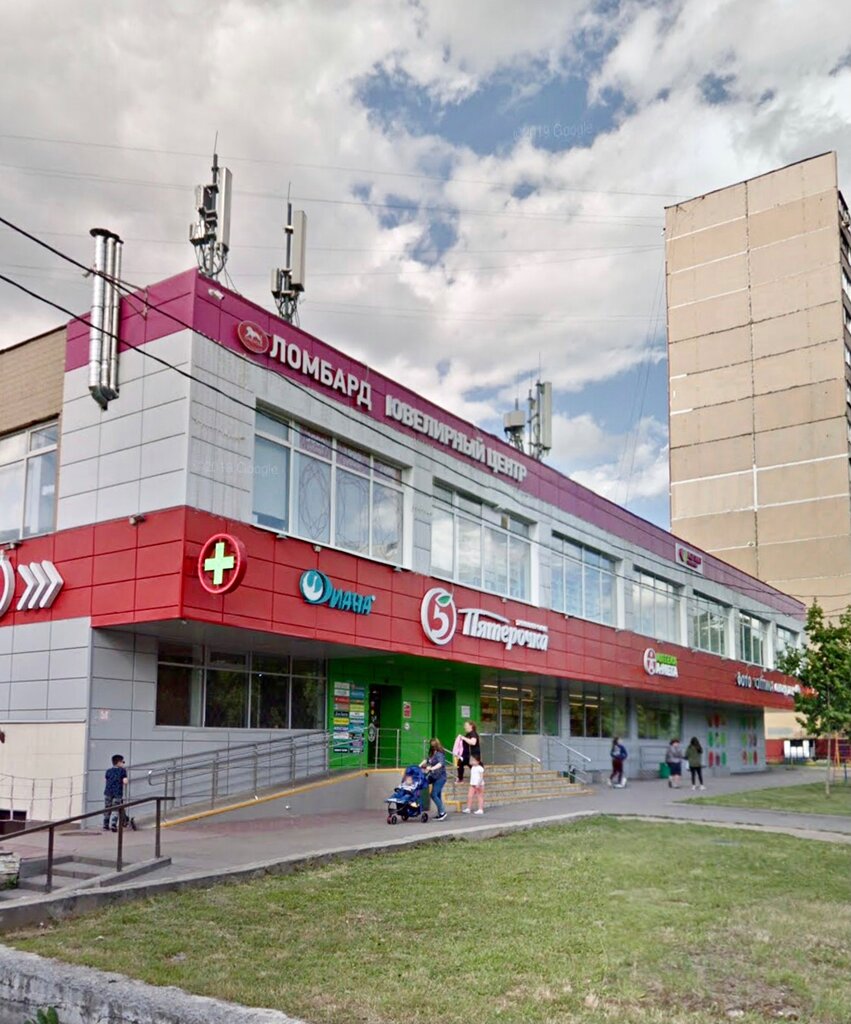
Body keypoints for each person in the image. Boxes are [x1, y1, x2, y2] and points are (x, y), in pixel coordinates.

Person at [421, 738, 448, 821]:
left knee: (433, 794)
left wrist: (432, 768)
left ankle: (443, 812)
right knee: (437, 795)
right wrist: (419, 765)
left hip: (440, 777)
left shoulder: (439, 753)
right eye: (431, 744)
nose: (432, 746)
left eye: (433, 744)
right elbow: (427, 760)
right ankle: (440, 814)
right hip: (434, 776)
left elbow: (440, 763)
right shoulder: (432, 753)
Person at [103, 753, 128, 831]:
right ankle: (113, 824)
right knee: (115, 809)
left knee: (107, 808)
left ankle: (105, 824)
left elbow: (106, 780)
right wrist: (125, 781)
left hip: (108, 792)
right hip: (117, 792)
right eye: (123, 762)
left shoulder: (108, 771)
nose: (123, 763)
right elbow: (125, 781)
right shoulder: (122, 771)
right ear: (119, 762)